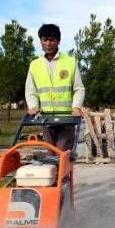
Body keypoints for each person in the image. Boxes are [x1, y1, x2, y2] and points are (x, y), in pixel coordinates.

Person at [25, 23, 85, 152]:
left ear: (58, 41)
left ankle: (62, 172)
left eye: (51, 40)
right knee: (50, 154)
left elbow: (79, 89)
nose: (48, 43)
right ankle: (53, 172)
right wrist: (32, 106)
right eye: (44, 40)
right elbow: (31, 90)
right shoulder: (35, 65)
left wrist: (76, 107)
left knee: (62, 152)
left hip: (67, 119)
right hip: (46, 119)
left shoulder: (70, 62)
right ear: (40, 41)